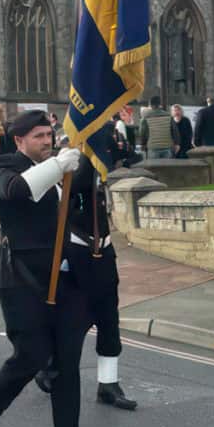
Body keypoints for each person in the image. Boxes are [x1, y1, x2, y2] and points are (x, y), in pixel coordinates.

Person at [0, 110, 104, 427]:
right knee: (30, 355)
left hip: (66, 280)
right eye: (38, 137)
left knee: (66, 365)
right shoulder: (4, 166)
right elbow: (19, 191)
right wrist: (59, 164)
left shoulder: (61, 166)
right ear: (19, 141)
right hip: (23, 280)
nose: (47, 142)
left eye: (49, 135)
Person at [34, 155, 137, 411]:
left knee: (109, 318)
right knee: (75, 319)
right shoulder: (67, 167)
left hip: (103, 247)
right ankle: (51, 366)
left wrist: (109, 159)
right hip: (74, 248)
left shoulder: (97, 161)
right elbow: (68, 191)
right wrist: (88, 161)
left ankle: (109, 384)